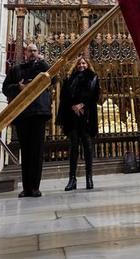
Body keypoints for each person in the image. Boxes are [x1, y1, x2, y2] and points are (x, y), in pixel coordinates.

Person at [3, 43, 52, 198]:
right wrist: (18, 87)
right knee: (26, 151)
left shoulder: (43, 67)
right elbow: (5, 88)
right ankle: (26, 188)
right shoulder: (17, 69)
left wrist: (43, 62)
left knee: (37, 151)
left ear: (38, 52)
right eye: (30, 50)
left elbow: (55, 79)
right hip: (23, 113)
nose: (32, 53)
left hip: (38, 112)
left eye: (35, 51)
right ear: (25, 52)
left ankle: (35, 187)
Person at [57, 56, 100, 190]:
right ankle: (72, 180)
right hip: (72, 117)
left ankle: (89, 178)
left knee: (87, 148)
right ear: (75, 66)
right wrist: (73, 106)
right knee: (73, 149)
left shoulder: (93, 78)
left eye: (83, 63)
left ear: (88, 65)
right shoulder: (69, 79)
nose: (81, 65)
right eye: (79, 63)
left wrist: (82, 104)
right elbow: (63, 96)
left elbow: (95, 95)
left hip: (86, 117)